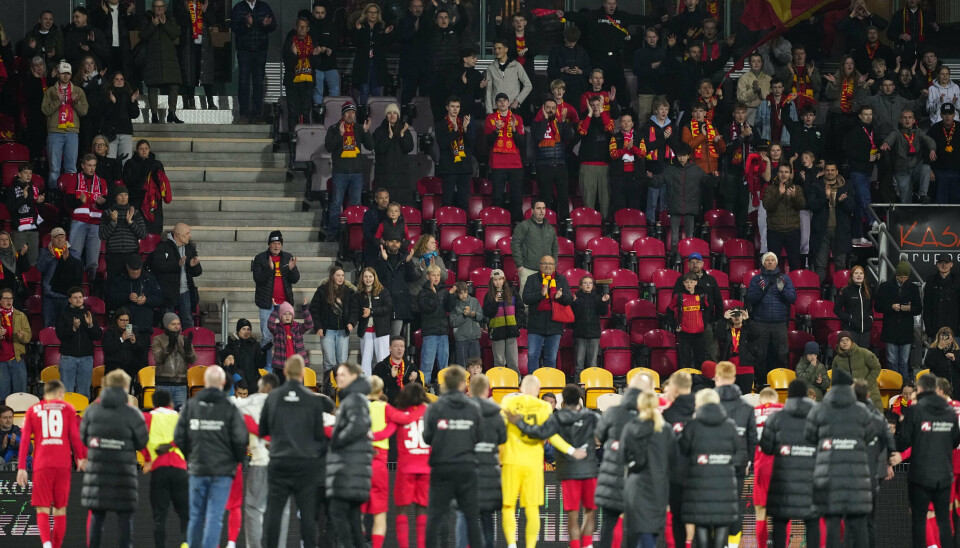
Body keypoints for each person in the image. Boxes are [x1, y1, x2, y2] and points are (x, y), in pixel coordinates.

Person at [506, 384, 600, 548]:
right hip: (589, 470)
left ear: (562, 402)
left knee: (572, 516)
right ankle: (587, 545)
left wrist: (519, 423)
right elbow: (601, 439)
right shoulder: (592, 416)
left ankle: (576, 545)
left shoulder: (557, 418)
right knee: (589, 513)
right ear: (580, 400)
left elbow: (540, 433)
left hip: (568, 471)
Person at [805, 367, 885, 548]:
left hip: (829, 475)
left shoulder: (820, 410)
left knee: (832, 522)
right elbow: (871, 436)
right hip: (857, 475)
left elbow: (809, 437)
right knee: (858, 524)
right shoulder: (862, 411)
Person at [258, 356, 333, 548]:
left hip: (279, 463)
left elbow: (263, 431)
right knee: (308, 515)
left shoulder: (273, 397)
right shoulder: (312, 400)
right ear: (302, 373)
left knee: (274, 513)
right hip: (306, 465)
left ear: (284, 372)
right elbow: (319, 435)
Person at [173, 366, 248, 548]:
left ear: (205, 383)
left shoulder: (191, 405)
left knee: (196, 515)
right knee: (215, 516)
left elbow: (178, 437)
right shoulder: (230, 407)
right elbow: (241, 439)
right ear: (223, 384)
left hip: (198, 468)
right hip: (222, 471)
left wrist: (190, 457)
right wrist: (236, 460)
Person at [80, 369, 148, 548]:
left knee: (97, 517)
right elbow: (142, 442)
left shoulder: (92, 410)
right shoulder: (133, 413)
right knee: (125, 518)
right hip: (123, 473)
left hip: (98, 472)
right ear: (125, 387)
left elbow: (83, 438)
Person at [16, 380, 87, 548]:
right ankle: (56, 546)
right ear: (60, 393)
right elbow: (75, 437)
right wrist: (81, 458)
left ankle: (47, 544)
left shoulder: (33, 410)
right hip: (62, 464)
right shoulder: (68, 409)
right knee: (60, 509)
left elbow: (25, 440)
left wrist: (21, 467)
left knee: (42, 508)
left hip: (41, 464)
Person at [419, 365, 483, 548]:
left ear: (444, 384)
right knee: (471, 517)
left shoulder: (435, 407)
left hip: (441, 468)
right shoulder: (473, 407)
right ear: (463, 384)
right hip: (467, 468)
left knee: (436, 516)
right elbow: (479, 436)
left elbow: (426, 437)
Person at [897, 371, 960, 548]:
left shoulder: (915, 410)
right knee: (944, 518)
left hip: (921, 476)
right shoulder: (949, 412)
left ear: (921, 388)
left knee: (919, 518)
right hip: (945, 474)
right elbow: (956, 440)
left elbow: (904, 441)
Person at [760, 379, 820, 548]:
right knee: (812, 521)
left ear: (789, 395)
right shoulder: (819, 416)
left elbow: (766, 448)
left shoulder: (776, 418)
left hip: (783, 480)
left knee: (779, 522)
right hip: (811, 480)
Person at [680, 388, 740, 548]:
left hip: (699, 487)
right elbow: (736, 448)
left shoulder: (693, 425)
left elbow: (683, 449)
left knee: (701, 531)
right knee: (722, 529)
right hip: (725, 487)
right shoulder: (730, 426)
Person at [619, 391, 675, 548]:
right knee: (652, 532)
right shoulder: (666, 430)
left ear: (639, 406)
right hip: (659, 487)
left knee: (638, 533)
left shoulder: (631, 428)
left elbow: (622, 457)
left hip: (636, 486)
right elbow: (674, 460)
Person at [327, 362, 373, 548]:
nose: (338, 378)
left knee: (338, 514)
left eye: (343, 375)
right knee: (353, 520)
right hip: (353, 468)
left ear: (354, 376)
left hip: (349, 469)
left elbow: (358, 426)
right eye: (337, 375)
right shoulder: (355, 398)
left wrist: (336, 440)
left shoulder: (353, 399)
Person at [714, 361, 758, 547]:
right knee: (735, 505)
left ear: (716, 378)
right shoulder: (746, 408)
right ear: (733, 378)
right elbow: (752, 439)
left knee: (713, 504)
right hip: (739, 463)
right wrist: (750, 461)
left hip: (712, 463)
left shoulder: (707, 403)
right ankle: (732, 545)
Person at [141, 389, 190, 548]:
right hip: (180, 469)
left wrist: (148, 459)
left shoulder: (147, 417)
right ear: (170, 403)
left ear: (154, 403)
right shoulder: (179, 416)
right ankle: (185, 543)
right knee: (185, 513)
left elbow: (140, 439)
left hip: (159, 470)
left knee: (159, 516)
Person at [251, 230, 300, 370]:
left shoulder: (288, 258)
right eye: (274, 243)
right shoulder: (260, 258)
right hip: (267, 305)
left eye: (279, 243)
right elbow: (258, 279)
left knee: (286, 336)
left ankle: (284, 367)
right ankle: (268, 367)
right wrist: (269, 268)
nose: (276, 246)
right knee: (267, 337)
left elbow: (295, 279)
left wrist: (292, 269)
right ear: (269, 244)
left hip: (284, 305)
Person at [325, 102, 373, 241]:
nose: (351, 114)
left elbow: (370, 146)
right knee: (336, 204)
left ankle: (354, 236)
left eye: (353, 112)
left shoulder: (359, 128)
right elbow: (329, 147)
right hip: (340, 172)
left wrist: (366, 132)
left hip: (357, 173)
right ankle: (332, 234)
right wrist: (340, 135)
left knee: (356, 205)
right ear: (342, 114)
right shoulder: (334, 128)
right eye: (348, 112)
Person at [746, 253, 797, 384]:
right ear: (763, 263)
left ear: (776, 263)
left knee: (781, 354)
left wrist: (782, 290)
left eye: (772, 260)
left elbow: (792, 298)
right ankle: (760, 384)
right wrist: (760, 290)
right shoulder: (756, 279)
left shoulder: (785, 278)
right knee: (760, 356)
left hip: (779, 323)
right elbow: (750, 299)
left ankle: (781, 382)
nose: (770, 262)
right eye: (767, 260)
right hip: (760, 323)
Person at [649, 143, 708, 252]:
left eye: (684, 156)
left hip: (690, 208)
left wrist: (715, 177)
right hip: (675, 207)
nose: (681, 158)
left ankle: (688, 256)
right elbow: (657, 182)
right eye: (680, 156)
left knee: (690, 237)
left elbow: (708, 181)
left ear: (688, 156)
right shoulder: (670, 169)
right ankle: (674, 259)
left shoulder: (696, 169)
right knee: (674, 238)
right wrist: (650, 178)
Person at [42, 60, 88, 190]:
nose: (65, 76)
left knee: (71, 167)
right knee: (54, 168)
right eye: (63, 73)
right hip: (55, 132)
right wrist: (58, 100)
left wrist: (75, 102)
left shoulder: (78, 91)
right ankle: (53, 196)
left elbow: (84, 111)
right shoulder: (51, 91)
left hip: (72, 132)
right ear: (58, 74)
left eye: (68, 73)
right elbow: (45, 110)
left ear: (71, 74)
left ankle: (70, 194)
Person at [806, 160, 855, 283]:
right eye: (827, 170)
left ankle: (840, 294)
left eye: (833, 170)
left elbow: (852, 207)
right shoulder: (816, 185)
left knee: (840, 265)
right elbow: (811, 205)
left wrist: (842, 201)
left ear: (837, 172)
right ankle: (818, 295)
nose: (830, 172)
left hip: (841, 232)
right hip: (821, 232)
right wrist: (826, 197)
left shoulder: (846, 186)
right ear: (824, 171)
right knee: (820, 266)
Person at [523, 256, 574, 371]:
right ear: (540, 265)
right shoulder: (532, 279)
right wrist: (540, 294)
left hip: (555, 325)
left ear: (554, 266)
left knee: (551, 358)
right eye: (545, 263)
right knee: (532, 356)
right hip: (536, 325)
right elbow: (526, 298)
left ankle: (549, 385)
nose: (548, 266)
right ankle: (532, 385)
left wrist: (560, 297)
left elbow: (569, 300)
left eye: (550, 264)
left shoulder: (561, 279)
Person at [231, 0, 277, 123]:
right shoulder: (239, 7)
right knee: (244, 82)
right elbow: (235, 27)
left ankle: (257, 115)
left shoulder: (264, 6)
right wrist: (248, 25)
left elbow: (273, 25)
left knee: (258, 83)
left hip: (260, 50)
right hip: (244, 51)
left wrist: (265, 24)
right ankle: (244, 114)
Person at [876, 260, 922, 380]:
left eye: (905, 277)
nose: (903, 279)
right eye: (901, 277)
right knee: (891, 360)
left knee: (904, 361)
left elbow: (918, 309)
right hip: (890, 328)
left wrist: (910, 308)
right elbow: (877, 306)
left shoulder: (913, 288)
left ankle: (904, 386)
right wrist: (891, 307)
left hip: (905, 329)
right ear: (896, 275)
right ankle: (893, 384)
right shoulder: (885, 286)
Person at [485, 92, 526, 222]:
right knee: (497, 197)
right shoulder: (490, 118)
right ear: (495, 104)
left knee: (517, 198)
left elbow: (522, 143)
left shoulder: (517, 118)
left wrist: (514, 130)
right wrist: (496, 131)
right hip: (498, 164)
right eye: (499, 101)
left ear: (509, 103)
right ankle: (498, 224)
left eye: (505, 100)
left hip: (515, 164)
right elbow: (489, 142)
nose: (502, 103)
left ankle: (517, 225)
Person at [151, 223, 201, 328]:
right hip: (168, 293)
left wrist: (193, 266)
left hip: (185, 291)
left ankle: (188, 343)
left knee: (188, 321)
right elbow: (157, 266)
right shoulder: (163, 246)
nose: (190, 236)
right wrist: (177, 265)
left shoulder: (189, 249)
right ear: (178, 234)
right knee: (169, 322)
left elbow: (198, 272)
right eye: (187, 233)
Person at [139, 0, 182, 123]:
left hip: (169, 59)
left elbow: (176, 34)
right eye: (156, 7)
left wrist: (164, 24)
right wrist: (152, 25)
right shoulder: (147, 19)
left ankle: (172, 113)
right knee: (152, 86)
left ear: (164, 8)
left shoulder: (170, 18)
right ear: (153, 8)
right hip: (152, 58)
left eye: (161, 7)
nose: (159, 10)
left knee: (174, 84)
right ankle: (153, 115)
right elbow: (142, 35)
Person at [55, 286, 102, 397]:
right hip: (68, 357)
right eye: (75, 297)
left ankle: (83, 414)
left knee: (84, 393)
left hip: (86, 358)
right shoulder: (63, 314)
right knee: (66, 393)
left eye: (80, 297)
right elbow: (60, 335)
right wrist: (73, 329)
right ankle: (67, 414)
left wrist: (90, 325)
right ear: (69, 299)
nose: (78, 299)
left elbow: (98, 335)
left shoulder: (89, 314)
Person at [881, 109, 936, 203]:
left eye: (910, 117)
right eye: (905, 118)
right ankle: (908, 217)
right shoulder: (897, 133)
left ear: (913, 120)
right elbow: (889, 140)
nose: (907, 120)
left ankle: (922, 196)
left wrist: (932, 149)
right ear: (900, 120)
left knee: (926, 167)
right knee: (905, 201)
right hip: (902, 171)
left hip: (915, 169)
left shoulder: (918, 132)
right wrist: (886, 143)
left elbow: (930, 141)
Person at [532, 98, 575, 220]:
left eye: (553, 108)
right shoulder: (536, 123)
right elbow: (538, 137)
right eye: (548, 108)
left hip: (560, 165)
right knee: (545, 198)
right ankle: (547, 223)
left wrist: (562, 122)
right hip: (544, 166)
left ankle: (563, 226)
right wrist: (545, 120)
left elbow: (568, 137)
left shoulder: (559, 123)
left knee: (563, 198)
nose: (550, 110)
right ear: (543, 108)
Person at [513, 201, 559, 306]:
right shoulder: (523, 226)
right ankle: (524, 322)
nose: (542, 211)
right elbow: (515, 245)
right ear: (532, 211)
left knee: (545, 301)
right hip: (528, 269)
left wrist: (554, 265)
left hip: (546, 272)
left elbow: (555, 247)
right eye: (538, 208)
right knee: (525, 302)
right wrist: (519, 265)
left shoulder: (550, 229)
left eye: (544, 208)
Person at [174, 0, 216, 110]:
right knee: (189, 71)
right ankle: (191, 100)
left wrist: (204, 11)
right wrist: (188, 12)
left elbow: (213, 20)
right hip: (189, 42)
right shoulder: (181, 4)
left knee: (206, 71)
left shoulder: (205, 3)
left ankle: (210, 101)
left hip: (203, 43)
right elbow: (179, 21)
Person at [577, 95, 615, 219]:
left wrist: (602, 111)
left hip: (604, 166)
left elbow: (610, 128)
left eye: (598, 105)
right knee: (588, 200)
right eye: (592, 105)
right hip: (587, 166)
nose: (595, 107)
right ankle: (589, 227)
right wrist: (589, 114)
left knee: (605, 201)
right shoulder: (584, 120)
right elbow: (582, 131)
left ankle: (604, 229)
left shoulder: (607, 120)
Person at [98, 184, 146, 280]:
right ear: (116, 197)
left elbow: (143, 234)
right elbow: (102, 235)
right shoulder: (107, 213)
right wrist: (113, 222)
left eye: (125, 195)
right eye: (120, 195)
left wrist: (131, 222)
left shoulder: (135, 213)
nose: (123, 197)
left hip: (132, 255)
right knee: (113, 285)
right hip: (114, 256)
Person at [418, 265, 457, 384]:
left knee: (444, 367)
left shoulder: (444, 291)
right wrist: (433, 294)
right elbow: (428, 308)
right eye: (433, 275)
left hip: (443, 333)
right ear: (428, 276)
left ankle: (444, 391)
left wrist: (451, 295)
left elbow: (450, 307)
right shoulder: (423, 292)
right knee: (427, 366)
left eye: (438, 275)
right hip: (430, 333)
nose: (436, 277)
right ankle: (424, 392)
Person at [37, 227, 82, 328]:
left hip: (66, 296)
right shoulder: (44, 252)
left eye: (62, 237)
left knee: (67, 326)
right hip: (49, 296)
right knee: (48, 326)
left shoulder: (73, 253)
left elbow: (78, 270)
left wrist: (68, 259)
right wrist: (51, 256)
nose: (60, 239)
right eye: (57, 237)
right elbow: (40, 268)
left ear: (66, 238)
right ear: (52, 239)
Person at [106, 254, 163, 333]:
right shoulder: (119, 279)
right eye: (132, 271)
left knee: (143, 343)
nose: (135, 272)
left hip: (144, 324)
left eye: (137, 270)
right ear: (127, 267)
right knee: (127, 341)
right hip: (126, 324)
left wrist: (146, 300)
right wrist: (127, 297)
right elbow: (111, 298)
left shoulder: (149, 279)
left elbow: (159, 298)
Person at [350, 3, 393, 104]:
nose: (373, 15)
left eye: (375, 12)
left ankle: (375, 114)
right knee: (364, 89)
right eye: (370, 12)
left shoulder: (381, 27)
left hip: (377, 63)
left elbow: (387, 44)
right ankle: (363, 114)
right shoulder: (361, 26)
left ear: (378, 14)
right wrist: (359, 30)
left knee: (376, 89)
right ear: (366, 14)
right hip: (364, 63)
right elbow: (356, 42)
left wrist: (386, 34)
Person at [152, 312, 196, 409]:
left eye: (178, 324)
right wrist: (169, 347)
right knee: (162, 415)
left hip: (181, 384)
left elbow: (192, 360)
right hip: (163, 384)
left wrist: (188, 350)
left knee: (179, 416)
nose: (177, 327)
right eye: (173, 324)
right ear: (166, 325)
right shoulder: (158, 339)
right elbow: (158, 358)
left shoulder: (184, 339)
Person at [375, 237, 418, 338]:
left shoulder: (405, 259)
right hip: (383, 304)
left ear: (400, 244)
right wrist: (384, 261)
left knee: (395, 338)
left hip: (400, 305)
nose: (394, 244)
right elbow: (377, 278)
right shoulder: (380, 258)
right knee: (382, 340)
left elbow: (412, 278)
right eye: (391, 241)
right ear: (386, 242)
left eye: (397, 242)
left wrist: (408, 263)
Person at [373, 104, 415, 204]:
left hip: (402, 178)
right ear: (386, 115)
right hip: (384, 177)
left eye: (395, 113)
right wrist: (389, 137)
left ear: (398, 115)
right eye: (389, 113)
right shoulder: (379, 131)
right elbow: (379, 149)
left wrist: (402, 136)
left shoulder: (404, 130)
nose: (392, 115)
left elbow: (409, 148)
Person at [282, 17, 320, 131]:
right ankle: (293, 141)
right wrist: (294, 54)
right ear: (296, 27)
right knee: (293, 112)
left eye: (304, 27)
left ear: (308, 29)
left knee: (306, 111)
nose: (302, 29)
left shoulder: (312, 42)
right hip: (292, 81)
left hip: (307, 82)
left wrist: (314, 55)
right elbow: (288, 64)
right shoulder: (290, 41)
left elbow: (317, 64)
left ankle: (306, 140)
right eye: (300, 26)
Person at [356, 267, 393, 376]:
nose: (368, 279)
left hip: (381, 332)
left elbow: (389, 307)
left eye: (370, 276)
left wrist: (372, 311)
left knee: (383, 359)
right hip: (366, 331)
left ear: (374, 277)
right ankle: (366, 385)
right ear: (362, 278)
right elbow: (355, 310)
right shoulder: (359, 293)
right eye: (366, 276)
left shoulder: (383, 291)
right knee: (365, 361)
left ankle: (384, 384)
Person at [483, 269, 521, 371]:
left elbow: (520, 308)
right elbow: (487, 313)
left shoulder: (512, 292)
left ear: (504, 279)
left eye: (500, 279)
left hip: (511, 330)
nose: (498, 282)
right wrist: (495, 302)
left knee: (513, 361)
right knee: (499, 361)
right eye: (495, 280)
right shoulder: (488, 296)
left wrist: (518, 324)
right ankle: (500, 383)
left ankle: (515, 382)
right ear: (492, 281)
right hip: (497, 332)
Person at [7, 165, 44, 267]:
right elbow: (11, 208)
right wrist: (23, 197)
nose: (28, 175)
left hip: (33, 230)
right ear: (19, 174)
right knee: (17, 260)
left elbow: (39, 210)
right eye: (25, 172)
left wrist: (40, 203)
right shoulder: (12, 189)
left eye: (30, 173)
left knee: (33, 261)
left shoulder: (34, 188)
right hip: (19, 231)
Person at [570, 276, 609, 375]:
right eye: (585, 283)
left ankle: (591, 387)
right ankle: (578, 388)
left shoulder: (597, 297)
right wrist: (574, 303)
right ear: (581, 286)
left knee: (592, 364)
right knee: (579, 364)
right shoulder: (576, 297)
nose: (588, 285)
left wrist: (604, 302)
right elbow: (574, 315)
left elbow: (603, 312)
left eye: (590, 283)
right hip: (580, 334)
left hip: (594, 334)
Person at [0, 288, 31, 406]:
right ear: (0, 300)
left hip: (17, 359)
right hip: (1, 361)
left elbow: (28, 337)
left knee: (20, 396)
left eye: (10, 298)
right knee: (2, 396)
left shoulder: (20, 315)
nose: (9, 301)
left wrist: (22, 336)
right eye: (6, 298)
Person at [484, 39, 532, 115]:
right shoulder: (491, 68)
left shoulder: (516, 65)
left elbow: (528, 85)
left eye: (499, 48)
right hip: (496, 108)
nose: (497, 51)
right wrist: (489, 110)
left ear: (506, 49)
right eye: (495, 49)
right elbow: (488, 90)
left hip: (512, 107)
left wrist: (517, 101)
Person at [268, 300, 314, 379]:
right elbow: (270, 324)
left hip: (297, 365)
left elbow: (309, 324)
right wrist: (276, 310)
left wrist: (305, 310)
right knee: (282, 388)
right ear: (280, 316)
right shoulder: (277, 329)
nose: (287, 316)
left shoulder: (298, 327)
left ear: (293, 316)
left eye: (290, 314)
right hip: (282, 365)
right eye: (284, 314)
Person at [101, 306, 149, 380]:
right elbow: (108, 349)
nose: (125, 322)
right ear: (117, 320)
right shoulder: (110, 332)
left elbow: (140, 352)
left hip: (130, 369)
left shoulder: (135, 331)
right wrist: (121, 339)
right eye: (122, 320)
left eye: (127, 320)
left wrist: (134, 342)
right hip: (114, 369)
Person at [548, 26, 591, 108]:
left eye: (573, 42)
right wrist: (562, 70)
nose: (571, 44)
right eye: (569, 41)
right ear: (565, 39)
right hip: (561, 85)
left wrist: (580, 71)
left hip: (578, 87)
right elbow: (550, 70)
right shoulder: (556, 51)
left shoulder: (582, 51)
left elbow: (589, 70)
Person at [220, 318, 266, 390]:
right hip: (238, 381)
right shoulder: (232, 345)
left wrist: (264, 353)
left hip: (253, 381)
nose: (246, 331)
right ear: (238, 331)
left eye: (248, 329)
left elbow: (260, 365)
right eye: (243, 329)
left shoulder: (255, 345)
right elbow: (224, 358)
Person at [834, 265, 873, 348]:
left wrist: (870, 318)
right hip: (851, 330)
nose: (859, 275)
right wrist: (849, 319)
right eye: (856, 273)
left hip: (865, 331)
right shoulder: (845, 291)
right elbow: (837, 309)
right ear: (852, 276)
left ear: (864, 276)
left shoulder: (868, 291)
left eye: (861, 273)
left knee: (863, 357)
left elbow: (870, 308)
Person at [922, 254, 959, 341]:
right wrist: (928, 328)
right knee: (937, 354)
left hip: (954, 328)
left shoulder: (957, 280)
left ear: (951, 264)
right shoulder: (931, 281)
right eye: (941, 262)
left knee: (953, 354)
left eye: (946, 262)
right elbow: (927, 306)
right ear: (937, 264)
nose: (944, 265)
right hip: (936, 328)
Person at [929, 103, 960, 204]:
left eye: (950, 114)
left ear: (954, 115)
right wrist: (929, 170)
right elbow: (925, 150)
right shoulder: (933, 130)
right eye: (945, 114)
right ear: (941, 115)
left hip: (957, 169)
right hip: (939, 170)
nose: (947, 116)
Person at [450, 281, 484, 368]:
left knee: (476, 365)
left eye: (465, 292)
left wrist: (473, 314)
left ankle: (475, 381)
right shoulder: (454, 304)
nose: (463, 295)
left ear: (467, 291)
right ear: (457, 294)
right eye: (460, 293)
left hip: (474, 338)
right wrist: (463, 315)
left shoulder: (474, 301)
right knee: (462, 366)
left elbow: (481, 316)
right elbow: (453, 322)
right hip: (461, 339)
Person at [925, 327, 960, 399]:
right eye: (943, 336)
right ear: (938, 338)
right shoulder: (932, 351)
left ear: (953, 338)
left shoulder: (957, 351)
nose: (946, 339)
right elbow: (928, 364)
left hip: (956, 389)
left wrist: (955, 360)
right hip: (938, 388)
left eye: (948, 336)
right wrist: (939, 349)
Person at [737, 53, 772, 124]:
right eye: (753, 61)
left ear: (762, 63)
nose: (756, 63)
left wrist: (759, 91)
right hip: (749, 110)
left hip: (766, 111)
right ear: (749, 63)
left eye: (758, 61)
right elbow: (740, 97)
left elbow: (772, 97)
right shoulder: (743, 78)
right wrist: (753, 90)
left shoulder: (768, 79)